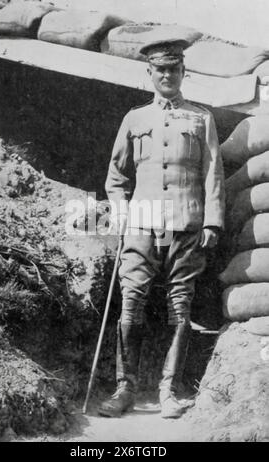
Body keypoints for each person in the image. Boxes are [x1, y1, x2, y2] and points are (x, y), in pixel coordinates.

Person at [98, 37, 225, 419]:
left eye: (174, 68)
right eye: (160, 69)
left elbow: (213, 173)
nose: (167, 75)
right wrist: (121, 213)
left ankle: (169, 390)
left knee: (179, 307)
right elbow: (116, 176)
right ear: (149, 73)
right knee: (131, 302)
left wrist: (213, 221)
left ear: (184, 72)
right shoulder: (135, 119)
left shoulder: (202, 119)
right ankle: (125, 389)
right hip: (142, 225)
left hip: (185, 226)